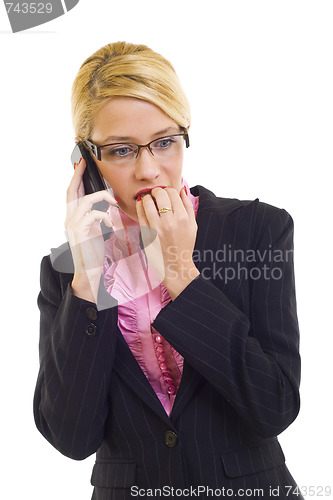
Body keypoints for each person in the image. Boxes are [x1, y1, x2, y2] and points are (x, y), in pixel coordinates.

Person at [34, 41, 303, 499]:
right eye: (120, 150)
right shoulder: (68, 270)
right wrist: (88, 281)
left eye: (164, 142)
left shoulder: (258, 230)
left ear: (185, 134)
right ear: (85, 160)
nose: (149, 170)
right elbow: (71, 437)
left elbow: (274, 405)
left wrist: (181, 274)